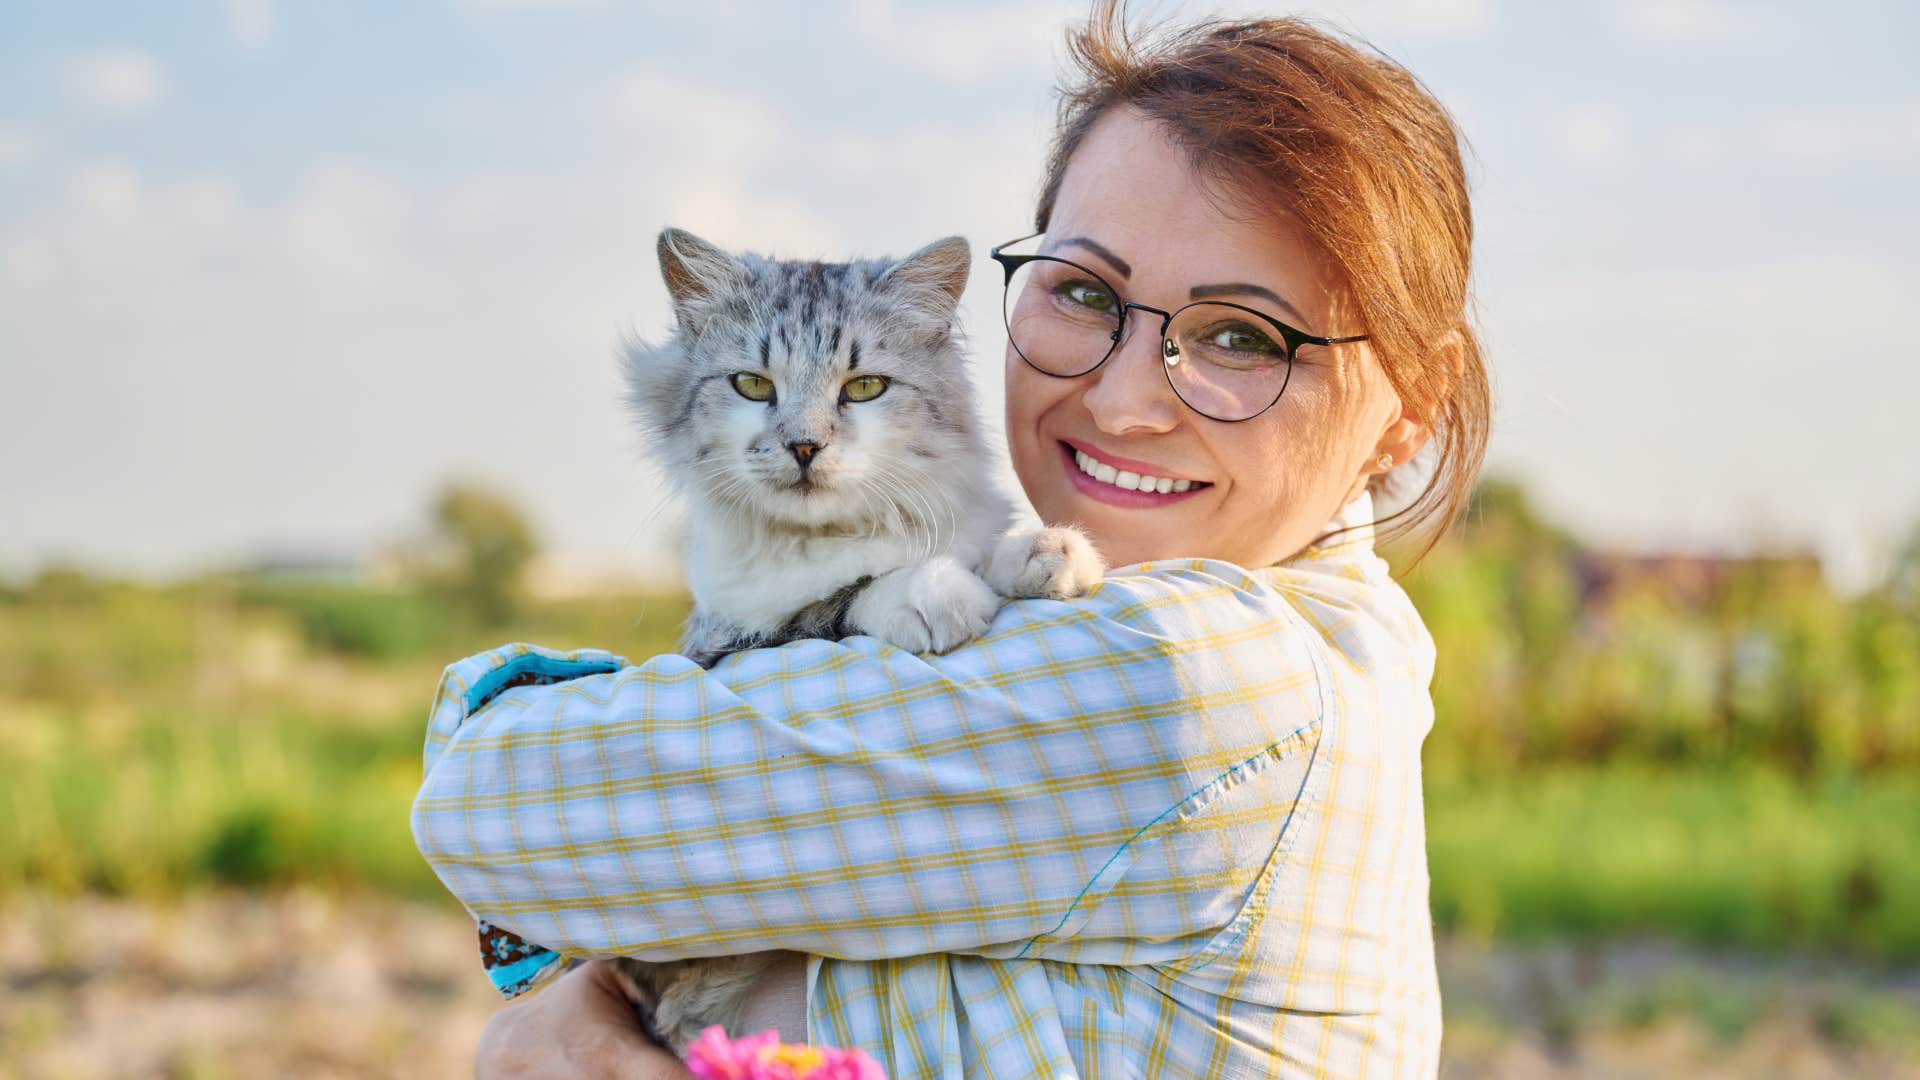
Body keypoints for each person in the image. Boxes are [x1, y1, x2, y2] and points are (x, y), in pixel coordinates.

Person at [412, 5, 1487, 1077]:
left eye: (1243, 336)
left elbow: (493, 809)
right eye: (1084, 292)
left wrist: (579, 1009)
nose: (1121, 404)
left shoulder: (1205, 679)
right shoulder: (1347, 655)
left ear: (1411, 406)